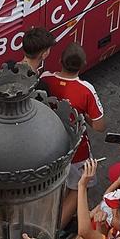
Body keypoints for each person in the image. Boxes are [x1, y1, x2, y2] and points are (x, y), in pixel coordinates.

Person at [41, 42, 106, 226]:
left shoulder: (45, 79)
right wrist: (84, 116)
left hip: (49, 145)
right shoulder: (86, 89)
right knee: (79, 188)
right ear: (83, 64)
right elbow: (100, 125)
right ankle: (56, 229)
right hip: (77, 150)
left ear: (60, 60)